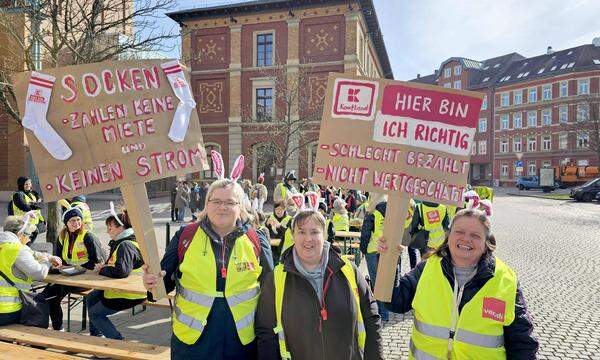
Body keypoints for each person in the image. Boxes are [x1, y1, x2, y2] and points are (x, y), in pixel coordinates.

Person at [379, 209, 539, 359]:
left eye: (475, 235)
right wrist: (389, 260)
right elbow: (394, 302)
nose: (466, 238)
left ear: (486, 244)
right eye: (459, 232)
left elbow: (522, 341)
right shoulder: (427, 269)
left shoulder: (505, 279)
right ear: (448, 238)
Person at [142, 178, 274, 359]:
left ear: (240, 207)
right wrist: (152, 283)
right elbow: (162, 283)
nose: (223, 207)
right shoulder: (185, 236)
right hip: (192, 343)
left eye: (230, 202)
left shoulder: (256, 239)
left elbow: (270, 291)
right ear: (207, 204)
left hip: (241, 343)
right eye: (217, 201)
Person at [255, 209, 383, 359]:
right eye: (301, 232)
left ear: (325, 235)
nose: (308, 239)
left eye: (314, 232)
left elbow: (371, 316)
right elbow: (266, 333)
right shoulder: (276, 279)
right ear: (292, 236)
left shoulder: (348, 269)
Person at [85, 208, 145, 340]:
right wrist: (105, 266)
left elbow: (121, 271)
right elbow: (118, 266)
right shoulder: (122, 242)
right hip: (122, 288)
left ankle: (118, 342)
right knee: (91, 298)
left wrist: (102, 270)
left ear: (121, 228)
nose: (107, 231)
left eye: (110, 228)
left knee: (95, 314)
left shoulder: (126, 245)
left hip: (129, 293)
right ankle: (96, 335)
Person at [42, 207, 105, 331]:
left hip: (86, 279)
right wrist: (59, 265)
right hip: (67, 277)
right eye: (72, 220)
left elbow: (97, 261)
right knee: (48, 296)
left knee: (53, 294)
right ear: (66, 223)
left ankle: (58, 328)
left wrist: (76, 268)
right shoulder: (62, 237)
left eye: (78, 220)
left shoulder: (88, 236)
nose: (76, 223)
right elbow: (60, 258)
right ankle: (58, 328)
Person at [0, 215, 61, 326]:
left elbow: (31, 253)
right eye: (28, 235)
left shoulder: (5, 245)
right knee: (38, 315)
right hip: (7, 309)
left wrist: (47, 256)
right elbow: (39, 274)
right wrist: (46, 262)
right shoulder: (17, 249)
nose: (29, 239)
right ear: (19, 234)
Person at [359, 194, 393, 322]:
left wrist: (363, 249)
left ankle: (380, 312)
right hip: (387, 251)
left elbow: (365, 234)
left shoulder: (372, 214)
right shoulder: (391, 213)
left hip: (373, 251)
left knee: (375, 282)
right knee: (384, 282)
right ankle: (386, 313)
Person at [11, 176, 46, 243]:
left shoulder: (34, 193)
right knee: (24, 241)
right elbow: (25, 207)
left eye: (29, 184)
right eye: (26, 184)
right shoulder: (17, 195)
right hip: (23, 223)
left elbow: (42, 205)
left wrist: (32, 204)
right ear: (21, 184)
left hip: (35, 222)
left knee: (30, 239)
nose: (28, 186)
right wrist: (36, 204)